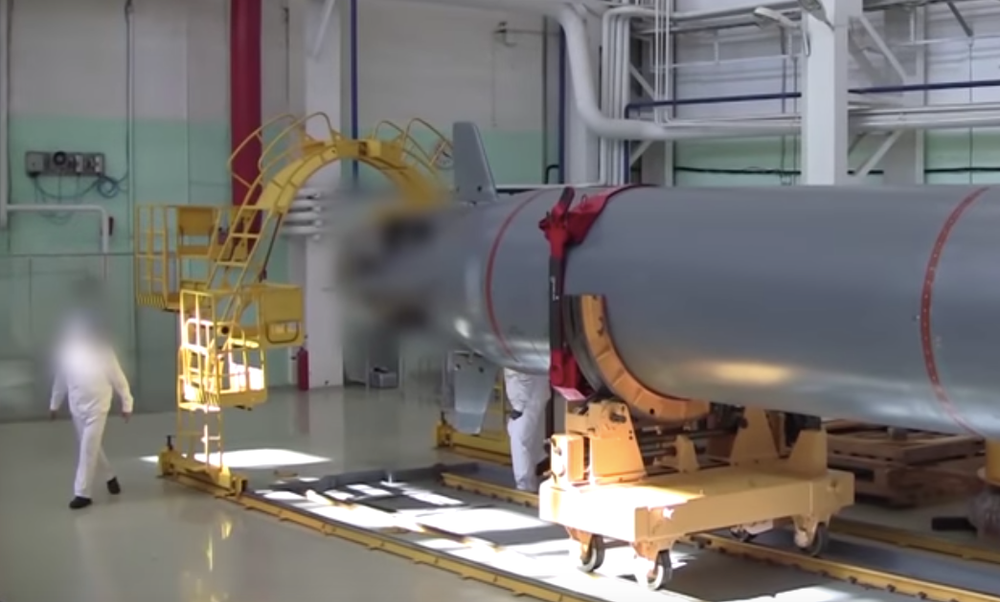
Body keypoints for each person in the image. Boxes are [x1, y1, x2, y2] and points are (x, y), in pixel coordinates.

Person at [49, 315, 134, 510]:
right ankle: (110, 477)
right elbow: (61, 380)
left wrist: (127, 403)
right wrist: (54, 404)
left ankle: (82, 493)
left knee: (88, 448)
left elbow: (118, 379)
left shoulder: (104, 352)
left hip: (98, 407)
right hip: (77, 408)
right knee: (91, 447)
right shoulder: (68, 353)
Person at [503, 368, 551, 492]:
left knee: (519, 440)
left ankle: (524, 487)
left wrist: (519, 406)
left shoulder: (515, 356)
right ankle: (540, 460)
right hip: (534, 395)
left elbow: (525, 373)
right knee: (521, 432)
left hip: (527, 401)